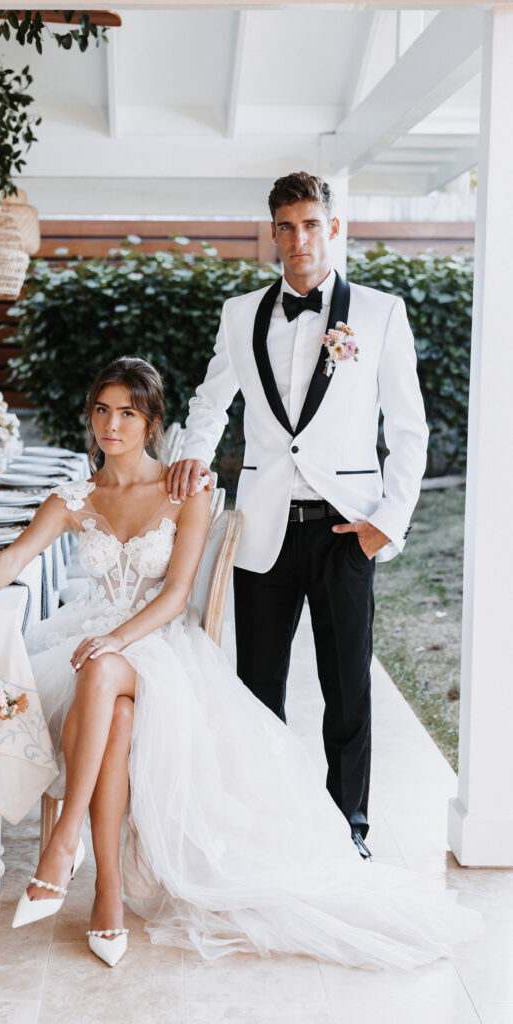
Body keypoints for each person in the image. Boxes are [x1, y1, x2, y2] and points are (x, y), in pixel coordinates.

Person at [0, 356, 478, 970]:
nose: (112, 425)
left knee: (103, 670)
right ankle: (106, 896)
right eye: (102, 411)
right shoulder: (75, 497)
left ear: (152, 422)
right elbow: (14, 557)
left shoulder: (186, 490)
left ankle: (62, 842)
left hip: (157, 644)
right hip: (88, 641)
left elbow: (177, 594)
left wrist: (117, 640)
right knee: (115, 715)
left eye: (128, 413)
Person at [168, 171, 430, 861]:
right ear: (272, 233)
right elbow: (208, 401)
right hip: (264, 529)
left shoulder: (379, 313)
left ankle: (351, 827)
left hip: (347, 528)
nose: (297, 238)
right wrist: (195, 454)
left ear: (332, 228)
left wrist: (388, 521)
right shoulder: (238, 313)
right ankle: (265, 817)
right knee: (258, 687)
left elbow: (409, 430)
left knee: (347, 688)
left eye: (310, 223)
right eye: (285, 225)